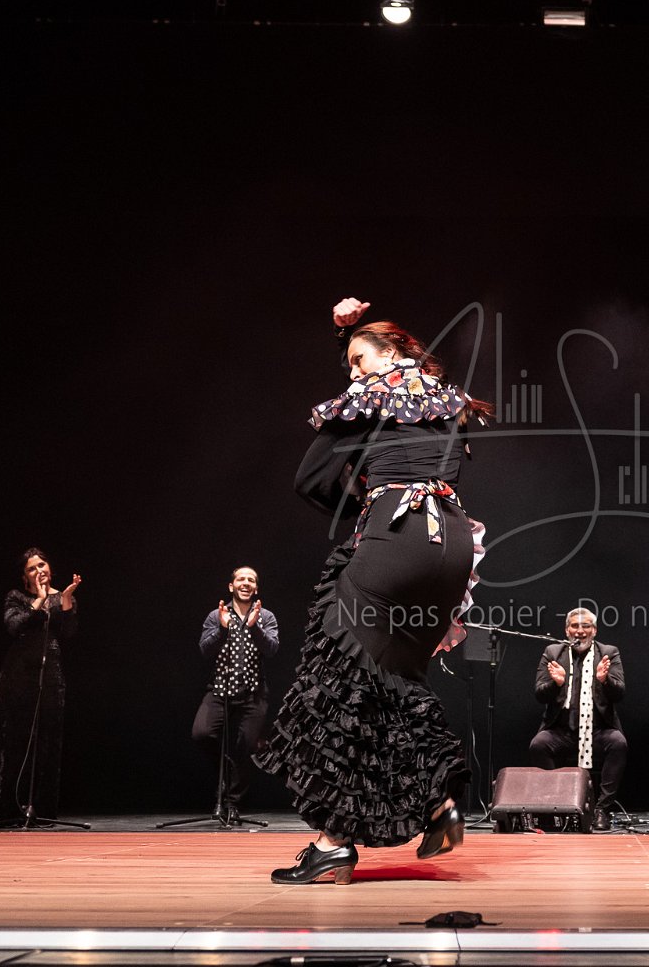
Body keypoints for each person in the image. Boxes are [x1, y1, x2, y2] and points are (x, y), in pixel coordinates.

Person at [256, 297, 490, 885]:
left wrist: (365, 506)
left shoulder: (370, 395)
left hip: (399, 534)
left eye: (360, 361)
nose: (354, 373)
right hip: (453, 544)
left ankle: (333, 842)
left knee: (339, 677)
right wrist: (348, 338)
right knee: (391, 678)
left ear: (390, 354)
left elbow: (310, 481)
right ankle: (437, 802)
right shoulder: (448, 400)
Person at [0, 548, 82, 825]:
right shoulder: (17, 597)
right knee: (16, 740)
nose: (39, 571)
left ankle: (41, 809)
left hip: (50, 675)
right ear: (25, 577)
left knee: (46, 742)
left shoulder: (63, 597)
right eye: (32, 569)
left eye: (42, 565)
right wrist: (40, 600)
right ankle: (8, 809)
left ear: (50, 568)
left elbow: (69, 632)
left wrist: (65, 600)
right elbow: (14, 626)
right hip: (19, 674)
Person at [193, 566, 279, 826]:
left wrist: (254, 628)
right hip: (220, 690)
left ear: (256, 588)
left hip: (253, 693)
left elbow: (272, 649)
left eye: (251, 580)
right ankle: (227, 778)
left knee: (245, 746)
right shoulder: (216, 615)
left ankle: (231, 803)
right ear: (231, 586)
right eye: (241, 579)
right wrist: (221, 629)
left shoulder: (265, 616)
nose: (246, 582)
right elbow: (204, 651)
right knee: (202, 733)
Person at [530, 606, 628, 832]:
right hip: (562, 730)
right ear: (567, 630)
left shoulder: (609, 653)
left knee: (618, 743)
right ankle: (557, 804)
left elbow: (619, 694)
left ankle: (601, 809)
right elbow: (539, 695)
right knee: (538, 745)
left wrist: (605, 680)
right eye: (575, 626)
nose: (580, 631)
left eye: (586, 626)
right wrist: (556, 683)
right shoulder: (553, 652)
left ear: (594, 630)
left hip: (598, 730)